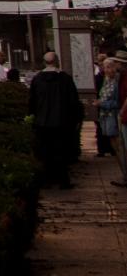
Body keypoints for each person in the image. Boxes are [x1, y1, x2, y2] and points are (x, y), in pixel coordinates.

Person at [28, 50, 85, 189]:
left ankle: (46, 180)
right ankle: (63, 180)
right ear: (57, 61)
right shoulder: (65, 79)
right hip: (61, 121)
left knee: (45, 152)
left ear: (44, 62)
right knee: (61, 151)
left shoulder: (37, 79)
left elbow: (32, 102)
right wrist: (76, 118)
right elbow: (73, 101)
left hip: (42, 122)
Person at [97, 56, 126, 186]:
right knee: (115, 145)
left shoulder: (117, 81)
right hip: (106, 115)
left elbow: (118, 101)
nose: (106, 70)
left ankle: (125, 175)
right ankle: (124, 174)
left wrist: (102, 104)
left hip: (113, 115)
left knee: (119, 146)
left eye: (109, 67)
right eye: (104, 67)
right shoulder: (106, 80)